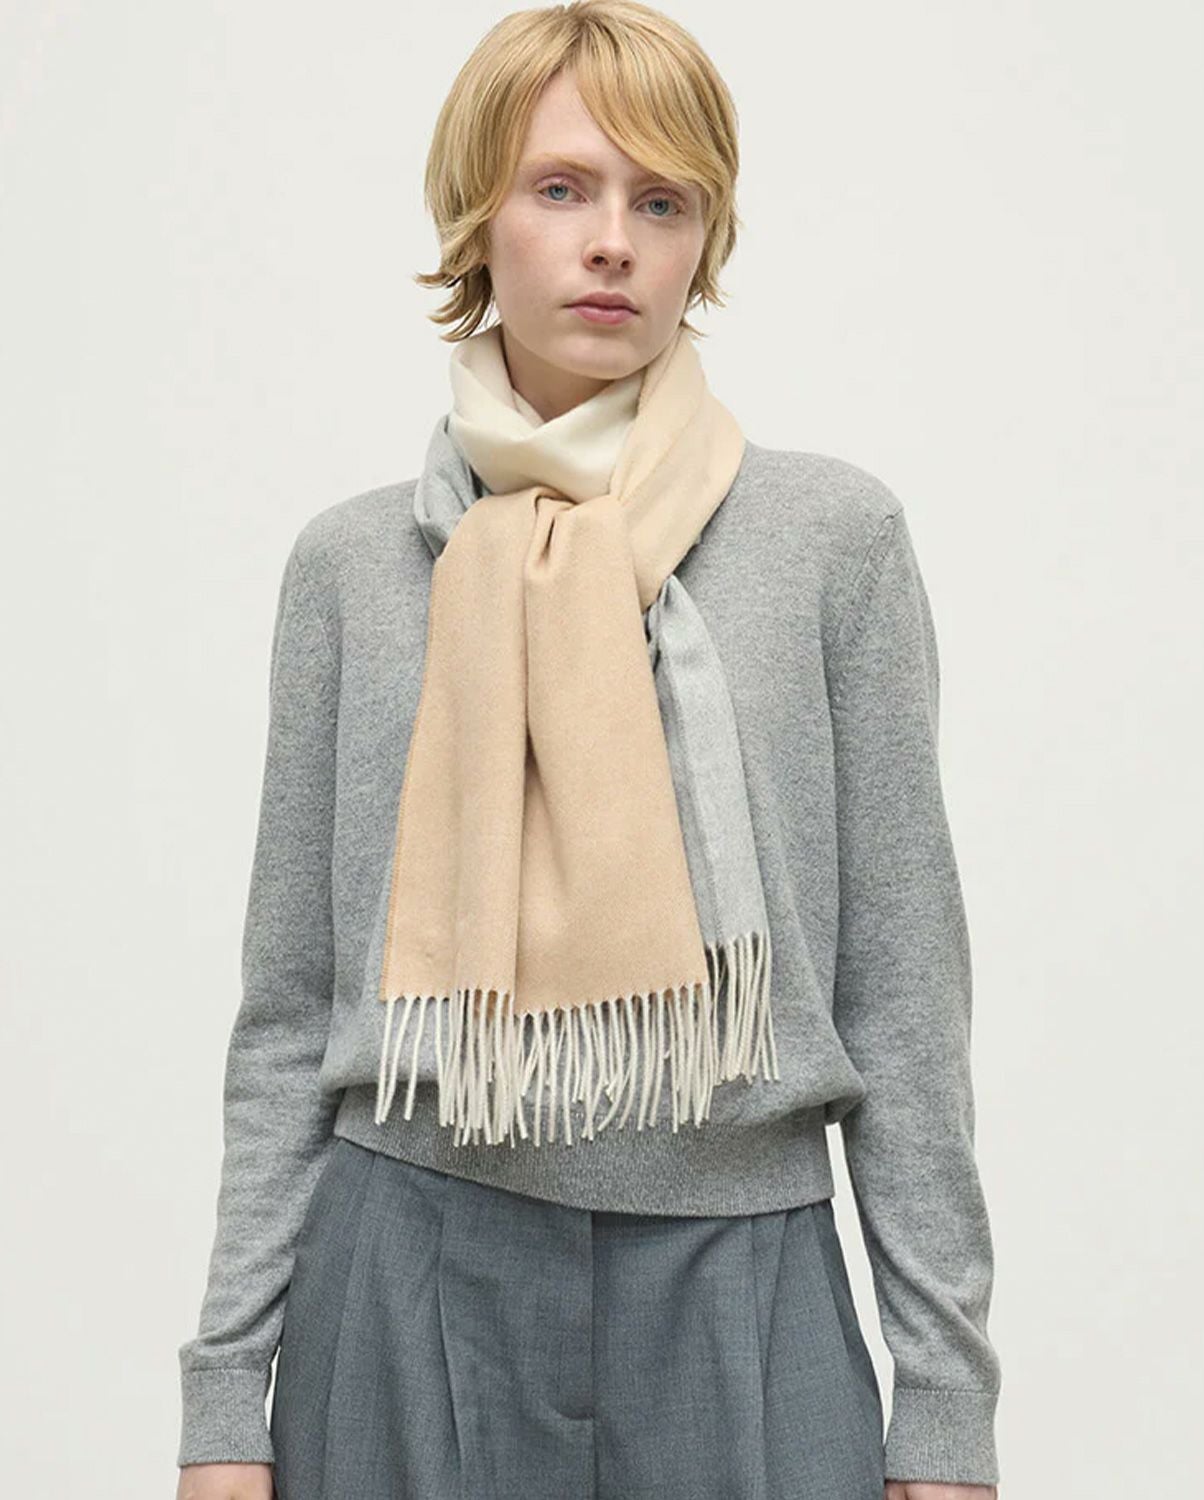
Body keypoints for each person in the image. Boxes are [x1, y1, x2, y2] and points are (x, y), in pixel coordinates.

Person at [175, 4, 1003, 1497]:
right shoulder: (354, 567)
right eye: (560, 188)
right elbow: (288, 1014)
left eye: (662, 201)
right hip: (403, 1274)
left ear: (704, 242)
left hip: (744, 1291)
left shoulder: (834, 541)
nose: (612, 242)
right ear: (476, 219)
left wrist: (945, 1404)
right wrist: (226, 1398)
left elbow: (903, 1000)